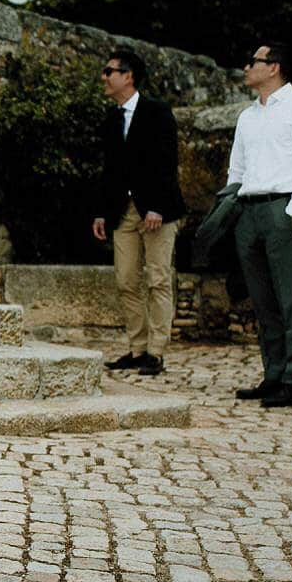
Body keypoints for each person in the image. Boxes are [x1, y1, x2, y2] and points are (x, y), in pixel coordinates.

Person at [229, 42, 292, 408]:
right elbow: (236, 168)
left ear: (274, 67)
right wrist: (234, 208)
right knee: (263, 300)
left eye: (252, 61)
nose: (246, 67)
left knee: (290, 298)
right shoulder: (247, 116)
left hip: (282, 208)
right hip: (249, 211)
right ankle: (273, 374)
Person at [91, 49, 188, 377]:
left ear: (128, 76)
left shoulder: (157, 112)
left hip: (157, 210)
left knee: (158, 278)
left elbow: (166, 161)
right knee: (125, 280)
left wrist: (158, 206)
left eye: (109, 71)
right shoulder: (110, 119)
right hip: (122, 212)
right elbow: (108, 172)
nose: (104, 77)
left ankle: (156, 352)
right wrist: (101, 213)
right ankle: (137, 347)